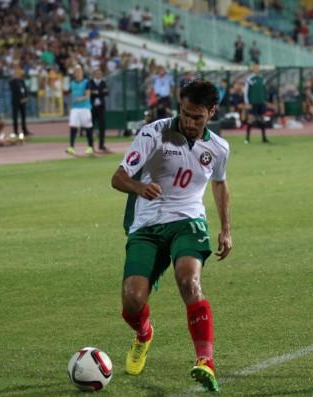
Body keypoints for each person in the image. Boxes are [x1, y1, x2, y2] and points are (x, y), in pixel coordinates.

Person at [111, 79, 232, 392]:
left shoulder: (218, 148)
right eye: (185, 114)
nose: (189, 123)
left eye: (197, 117)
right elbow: (118, 177)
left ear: (212, 113)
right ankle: (144, 334)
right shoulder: (153, 133)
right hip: (147, 225)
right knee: (133, 300)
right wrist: (139, 187)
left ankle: (205, 361)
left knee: (188, 280)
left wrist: (226, 229)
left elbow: (219, 184)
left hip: (188, 221)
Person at [66, 65, 94, 156]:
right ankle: (71, 147)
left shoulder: (86, 82)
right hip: (75, 108)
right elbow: (70, 95)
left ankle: (90, 146)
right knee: (73, 126)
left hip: (85, 108)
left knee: (88, 127)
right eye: (75, 71)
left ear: (82, 72)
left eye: (78, 71)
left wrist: (80, 99)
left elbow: (88, 95)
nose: (77, 73)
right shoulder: (72, 83)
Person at [244, 63, 269, 143]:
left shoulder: (262, 79)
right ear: (253, 68)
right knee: (251, 119)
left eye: (258, 67)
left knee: (262, 119)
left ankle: (264, 138)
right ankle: (247, 139)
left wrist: (265, 100)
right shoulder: (250, 79)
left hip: (261, 102)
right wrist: (247, 102)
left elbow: (264, 91)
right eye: (255, 67)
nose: (257, 68)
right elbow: (246, 92)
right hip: (253, 103)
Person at [89, 68, 109, 153]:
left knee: (102, 127)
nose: (98, 75)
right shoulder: (90, 82)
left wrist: (97, 92)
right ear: (94, 74)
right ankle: (90, 145)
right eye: (97, 73)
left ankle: (101, 145)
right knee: (90, 127)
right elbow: (90, 93)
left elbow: (106, 92)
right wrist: (100, 92)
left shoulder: (103, 82)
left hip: (101, 108)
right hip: (92, 108)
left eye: (100, 74)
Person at [10, 66, 31, 137]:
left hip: (23, 101)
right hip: (16, 101)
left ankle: (24, 130)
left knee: (23, 116)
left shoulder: (22, 81)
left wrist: (25, 97)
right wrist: (20, 98)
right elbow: (15, 91)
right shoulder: (12, 81)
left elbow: (25, 89)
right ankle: (15, 131)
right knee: (15, 116)